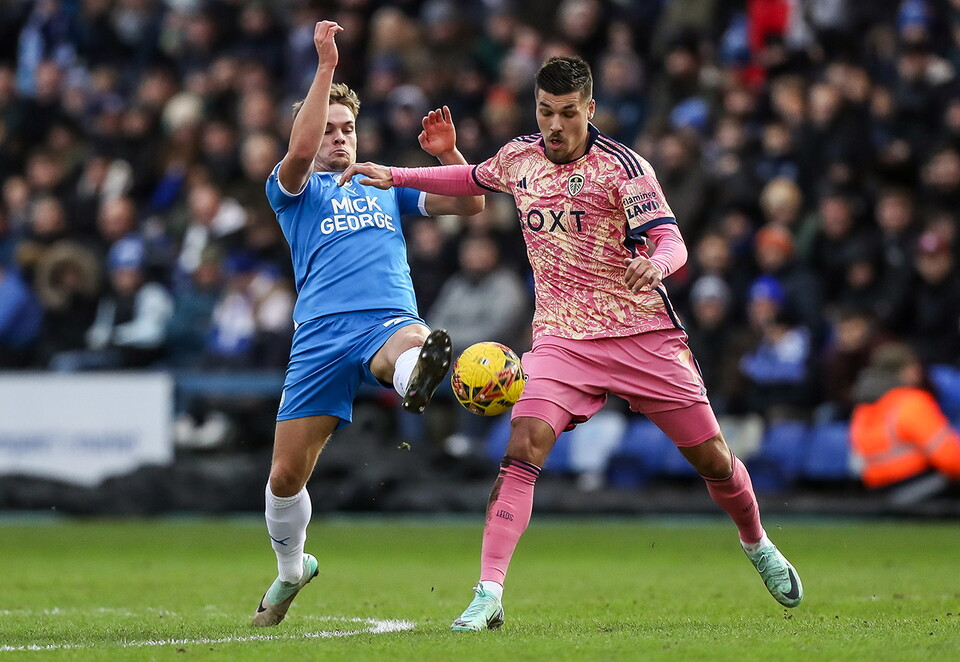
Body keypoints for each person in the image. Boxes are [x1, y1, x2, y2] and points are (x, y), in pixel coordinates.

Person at [340, 55, 804, 631]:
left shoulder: (623, 169)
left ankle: (756, 541)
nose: (553, 125)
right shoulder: (521, 158)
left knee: (711, 458)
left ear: (590, 109)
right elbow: (473, 177)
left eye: (565, 113)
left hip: (643, 337)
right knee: (523, 446)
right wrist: (399, 174)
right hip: (562, 342)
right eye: (544, 111)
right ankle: (488, 593)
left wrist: (657, 265)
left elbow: (672, 240)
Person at [252, 21, 483, 628]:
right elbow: (299, 154)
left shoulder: (385, 184)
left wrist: (446, 159)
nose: (338, 138)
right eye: (327, 128)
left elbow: (470, 202)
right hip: (320, 339)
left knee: (411, 344)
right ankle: (292, 570)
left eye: (347, 128)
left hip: (387, 321)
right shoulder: (291, 190)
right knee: (283, 477)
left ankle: (415, 374)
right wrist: (325, 67)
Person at [850, 342, 960, 490]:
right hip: (917, 485)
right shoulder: (911, 402)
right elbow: (950, 459)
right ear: (907, 370)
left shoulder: (862, 409)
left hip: (877, 491)